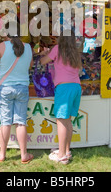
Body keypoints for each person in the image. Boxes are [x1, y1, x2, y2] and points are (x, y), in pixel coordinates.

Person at [0, 31, 33, 164]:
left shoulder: (2, 46)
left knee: (5, 122)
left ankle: (2, 154)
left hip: (5, 88)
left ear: (6, 34)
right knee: (21, 122)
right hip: (22, 87)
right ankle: (24, 155)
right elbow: (29, 66)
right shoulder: (29, 47)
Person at [40, 30, 82, 164]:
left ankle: (62, 155)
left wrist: (44, 54)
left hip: (64, 88)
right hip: (76, 87)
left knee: (61, 121)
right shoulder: (75, 52)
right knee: (67, 120)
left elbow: (43, 62)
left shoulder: (57, 49)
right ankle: (66, 150)